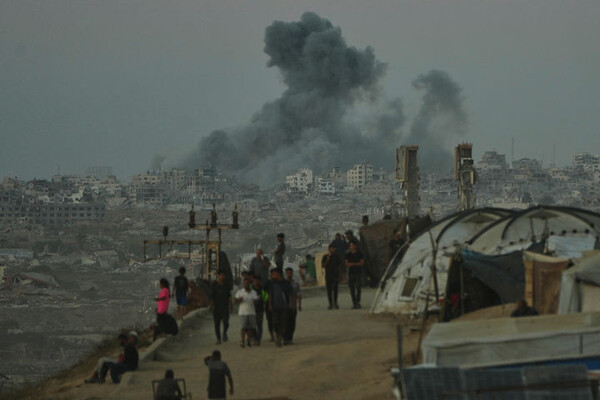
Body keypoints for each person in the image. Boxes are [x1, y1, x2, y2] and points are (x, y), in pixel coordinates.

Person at [268, 268, 291, 347]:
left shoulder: (286, 283)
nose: (272, 275)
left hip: (284, 306)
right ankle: (277, 336)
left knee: (283, 323)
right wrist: (269, 304)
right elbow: (270, 294)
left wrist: (292, 304)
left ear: (278, 274)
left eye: (274, 274)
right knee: (275, 323)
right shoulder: (271, 283)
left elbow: (290, 294)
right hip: (275, 306)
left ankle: (280, 338)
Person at [234, 277, 259, 348]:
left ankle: (248, 340)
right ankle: (242, 340)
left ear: (250, 284)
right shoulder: (240, 292)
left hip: (251, 312)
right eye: (245, 283)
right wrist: (238, 300)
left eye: (247, 283)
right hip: (242, 312)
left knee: (250, 328)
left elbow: (256, 301)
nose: (246, 285)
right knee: (243, 327)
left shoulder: (253, 292)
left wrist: (255, 301)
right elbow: (235, 301)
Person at [211, 271, 233, 344]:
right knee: (217, 324)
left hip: (225, 307)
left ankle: (224, 333)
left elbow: (229, 297)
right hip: (216, 308)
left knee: (226, 322)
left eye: (223, 275)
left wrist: (231, 306)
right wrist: (212, 305)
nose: (222, 277)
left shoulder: (227, 286)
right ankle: (218, 339)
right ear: (218, 276)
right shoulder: (214, 285)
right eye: (221, 275)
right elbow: (211, 297)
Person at [284, 267, 302, 345]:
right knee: (285, 323)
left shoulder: (295, 283)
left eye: (290, 273)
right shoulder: (283, 283)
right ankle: (285, 338)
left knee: (292, 323)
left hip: (293, 306)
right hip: (285, 306)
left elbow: (299, 294)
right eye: (287, 273)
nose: (289, 274)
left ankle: (290, 338)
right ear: (285, 274)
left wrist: (299, 304)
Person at [345, 241, 365, 309]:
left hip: (358, 272)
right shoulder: (348, 255)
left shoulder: (359, 254)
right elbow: (346, 263)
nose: (351, 247)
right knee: (352, 289)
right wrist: (351, 264)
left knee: (358, 287)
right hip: (351, 273)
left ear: (355, 246)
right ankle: (354, 303)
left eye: (352, 245)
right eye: (350, 246)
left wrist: (353, 264)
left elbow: (362, 263)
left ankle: (358, 302)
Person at [322, 244, 341, 309]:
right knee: (329, 290)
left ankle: (335, 303)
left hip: (335, 275)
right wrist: (327, 260)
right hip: (328, 275)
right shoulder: (325, 256)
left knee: (335, 290)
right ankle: (330, 304)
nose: (333, 250)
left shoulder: (336, 256)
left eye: (334, 248)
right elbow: (323, 266)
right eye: (332, 248)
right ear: (329, 249)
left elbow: (339, 265)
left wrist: (340, 275)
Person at [251, 274, 267, 345]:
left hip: (260, 309)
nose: (256, 281)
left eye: (257, 280)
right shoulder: (251, 289)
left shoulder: (262, 289)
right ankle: (255, 338)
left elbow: (266, 298)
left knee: (259, 325)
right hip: (252, 309)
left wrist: (263, 302)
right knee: (253, 325)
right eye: (255, 280)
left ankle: (258, 339)